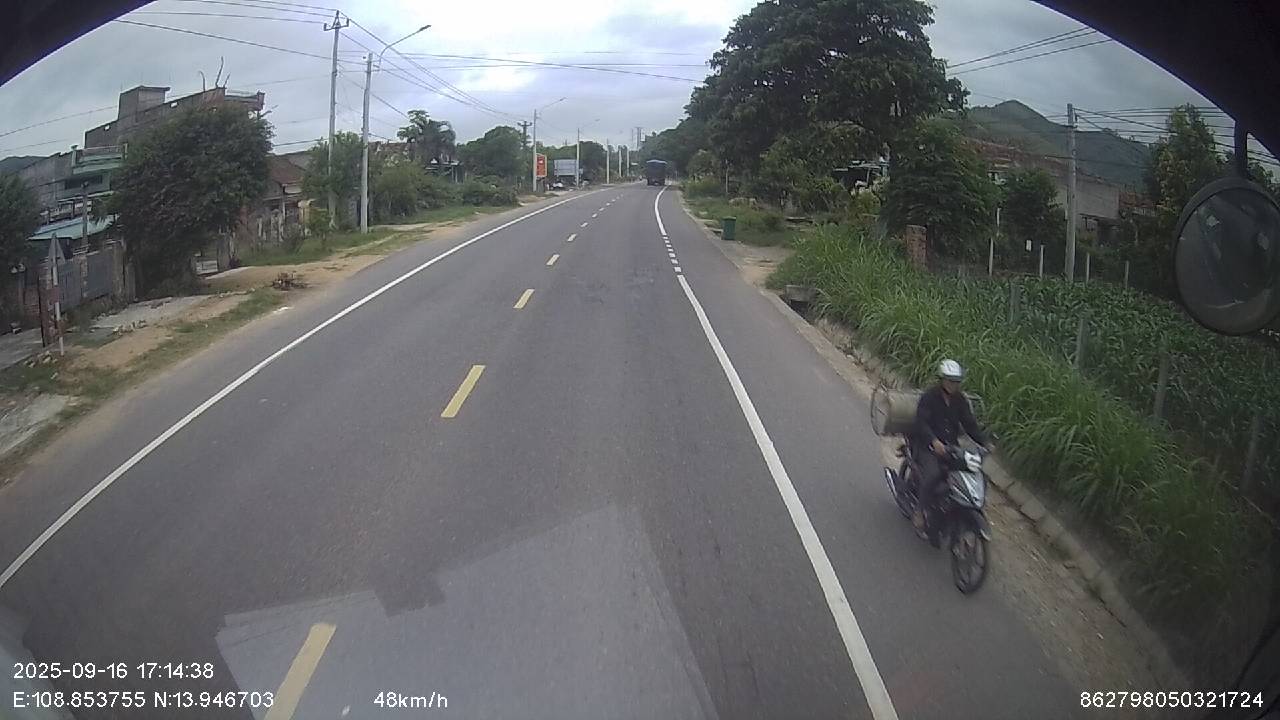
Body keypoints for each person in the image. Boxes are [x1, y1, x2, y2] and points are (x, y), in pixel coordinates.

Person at [911, 359, 991, 538]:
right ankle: (919, 510)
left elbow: (969, 424)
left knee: (970, 476)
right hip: (927, 447)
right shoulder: (930, 397)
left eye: (956, 381)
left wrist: (984, 443)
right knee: (934, 474)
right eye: (950, 380)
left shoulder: (960, 400)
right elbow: (921, 423)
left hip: (951, 449)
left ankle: (954, 512)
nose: (953, 385)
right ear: (942, 379)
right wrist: (934, 441)